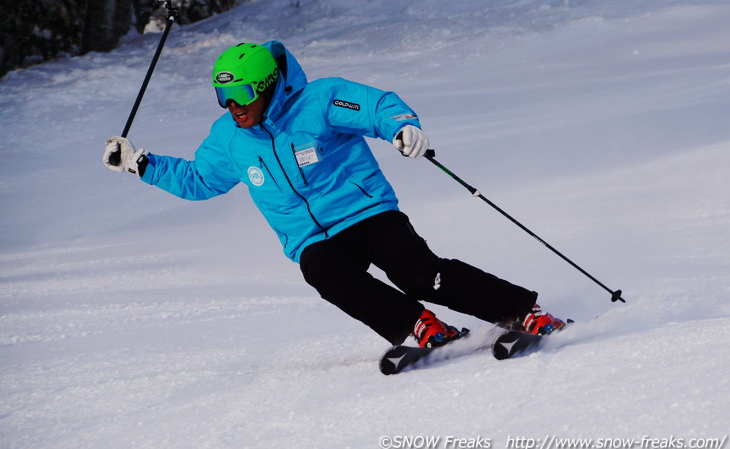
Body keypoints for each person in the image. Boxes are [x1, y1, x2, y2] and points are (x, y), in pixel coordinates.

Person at [103, 40, 565, 348]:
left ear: (268, 85)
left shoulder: (320, 100)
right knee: (322, 272)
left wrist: (403, 129)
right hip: (310, 237)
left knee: (420, 274)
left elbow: (378, 106)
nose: (233, 107)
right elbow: (199, 180)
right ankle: (418, 325)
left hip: (364, 211)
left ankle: (521, 311)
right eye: (223, 97)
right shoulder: (229, 138)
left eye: (242, 94)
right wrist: (140, 163)